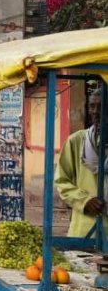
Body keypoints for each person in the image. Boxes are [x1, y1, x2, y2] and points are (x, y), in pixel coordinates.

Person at [55, 84, 107, 238]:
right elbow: (62, 181)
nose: (95, 112)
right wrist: (85, 200)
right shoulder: (76, 141)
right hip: (84, 231)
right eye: (92, 106)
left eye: (102, 106)